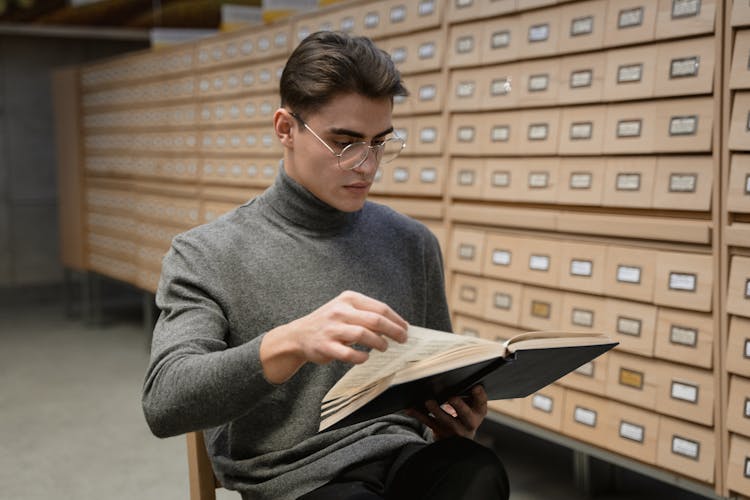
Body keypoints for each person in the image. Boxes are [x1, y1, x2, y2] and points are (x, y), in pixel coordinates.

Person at [142, 30, 510, 500]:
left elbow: (433, 377)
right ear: (285, 129)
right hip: (297, 477)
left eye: (380, 142)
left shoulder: (411, 242)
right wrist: (290, 342)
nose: (367, 165)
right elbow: (164, 402)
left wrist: (454, 413)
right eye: (345, 142)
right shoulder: (206, 254)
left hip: (402, 456)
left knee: (476, 470)